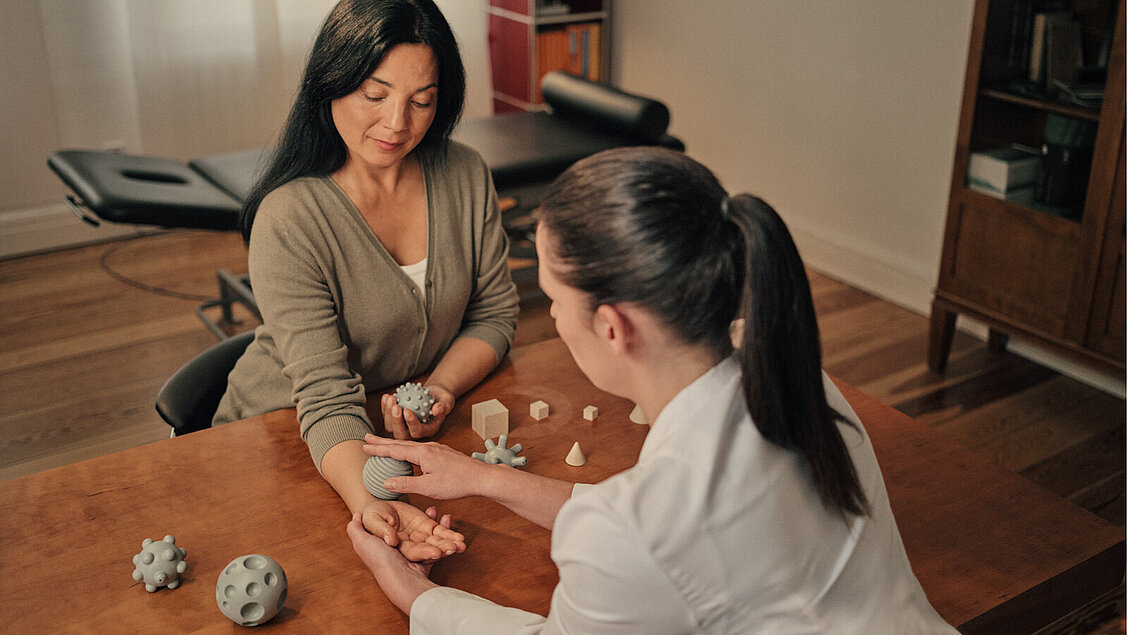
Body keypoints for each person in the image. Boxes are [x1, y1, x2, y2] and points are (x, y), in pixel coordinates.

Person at [346, 147, 958, 632]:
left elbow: (639, 540)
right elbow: (649, 531)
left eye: (554, 303)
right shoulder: (796, 379)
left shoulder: (639, 530)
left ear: (612, 327)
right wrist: (482, 477)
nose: (553, 320)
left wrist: (412, 592)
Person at [213, 0, 517, 559]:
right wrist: (371, 503)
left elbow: (494, 313)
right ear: (330, 84)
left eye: (421, 101)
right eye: (374, 95)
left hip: (381, 436)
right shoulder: (290, 218)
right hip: (279, 437)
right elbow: (325, 399)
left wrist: (441, 389)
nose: (398, 123)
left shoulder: (465, 174)